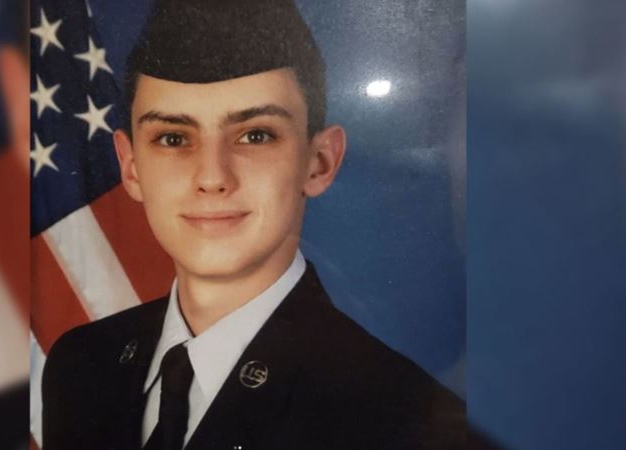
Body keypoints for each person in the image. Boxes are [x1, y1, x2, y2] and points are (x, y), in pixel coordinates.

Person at [41, 0, 465, 449]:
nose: (212, 177)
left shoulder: (404, 422)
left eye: (255, 135)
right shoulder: (81, 365)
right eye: (173, 138)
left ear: (320, 162)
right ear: (130, 168)